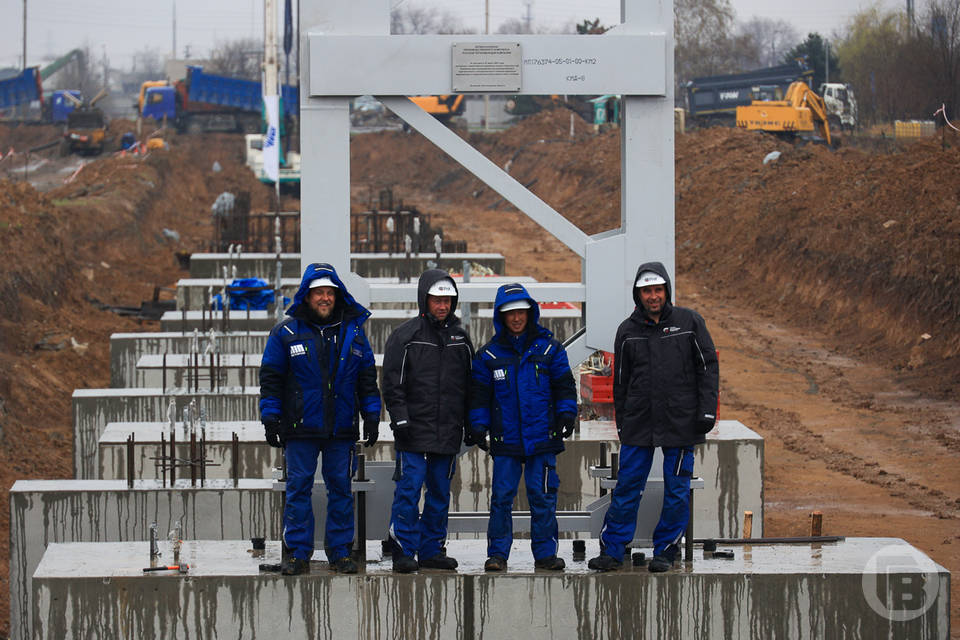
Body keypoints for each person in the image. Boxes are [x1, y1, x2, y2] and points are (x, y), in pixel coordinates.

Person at [588, 261, 719, 573]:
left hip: (680, 423)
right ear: (638, 294)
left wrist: (706, 411)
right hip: (639, 424)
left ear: (666, 291)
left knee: (677, 489)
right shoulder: (627, 331)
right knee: (628, 486)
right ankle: (614, 549)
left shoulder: (690, 322)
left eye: (658, 290)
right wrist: (623, 422)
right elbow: (620, 382)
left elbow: (708, 368)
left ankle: (666, 549)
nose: (653, 296)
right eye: (647, 291)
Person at [259, 263, 381, 576]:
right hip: (300, 429)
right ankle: (298, 553)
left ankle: (340, 552)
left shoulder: (354, 333)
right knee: (298, 488)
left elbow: (367, 378)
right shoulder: (285, 333)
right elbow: (271, 379)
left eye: (329, 292)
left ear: (337, 295)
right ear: (307, 296)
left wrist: (371, 415)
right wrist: (270, 418)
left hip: (341, 429)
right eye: (318, 293)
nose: (324, 298)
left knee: (340, 488)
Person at [468, 282, 578, 572]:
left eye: (521, 312)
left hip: (542, 438)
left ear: (531, 313)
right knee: (501, 498)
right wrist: (478, 425)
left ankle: (544, 554)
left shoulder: (551, 349)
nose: (516, 318)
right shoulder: (488, 356)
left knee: (542, 495)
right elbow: (479, 395)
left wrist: (567, 414)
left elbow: (564, 385)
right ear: (500, 316)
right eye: (510, 313)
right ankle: (497, 554)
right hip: (506, 441)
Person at [382, 269, 474, 573]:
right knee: (408, 491)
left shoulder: (461, 339)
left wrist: (471, 423)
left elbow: (471, 387)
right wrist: (401, 421)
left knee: (439, 493)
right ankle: (403, 549)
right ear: (425, 299)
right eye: (437, 299)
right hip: (413, 433)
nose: (443, 305)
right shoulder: (405, 337)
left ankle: (432, 549)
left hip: (447, 432)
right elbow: (392, 384)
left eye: (448, 300)